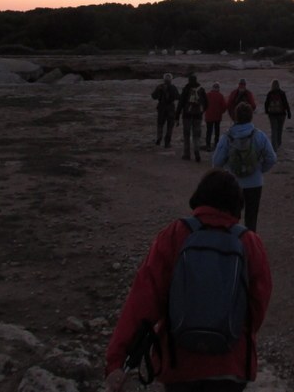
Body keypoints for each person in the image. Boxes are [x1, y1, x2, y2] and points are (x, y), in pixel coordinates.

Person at [104, 169, 272, 392]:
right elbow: (257, 306)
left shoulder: (175, 234)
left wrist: (117, 359)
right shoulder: (249, 242)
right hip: (231, 364)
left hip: (179, 363)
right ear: (237, 205)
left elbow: (143, 298)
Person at [212, 102, 277, 232]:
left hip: (232, 182)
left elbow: (217, 162)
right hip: (254, 182)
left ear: (235, 116)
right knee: (251, 217)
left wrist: (226, 171)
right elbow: (272, 158)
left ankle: (232, 245)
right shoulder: (259, 135)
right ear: (251, 116)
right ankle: (250, 245)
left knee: (231, 217)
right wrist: (259, 169)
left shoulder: (227, 136)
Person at [176, 74, 209, 162]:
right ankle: (196, 151)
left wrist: (177, 116)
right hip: (198, 116)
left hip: (186, 115)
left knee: (186, 135)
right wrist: (201, 111)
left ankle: (187, 154)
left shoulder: (186, 89)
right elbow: (206, 103)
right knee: (196, 135)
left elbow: (181, 103)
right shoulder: (201, 89)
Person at [152, 73, 179, 148]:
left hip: (161, 107)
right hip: (170, 108)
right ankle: (167, 143)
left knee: (160, 124)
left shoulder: (159, 86)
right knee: (170, 126)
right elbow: (177, 97)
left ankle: (159, 138)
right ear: (171, 79)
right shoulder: (173, 87)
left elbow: (153, 96)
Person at [263, 79, 292, 151]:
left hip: (272, 114)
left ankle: (274, 147)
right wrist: (289, 112)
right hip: (282, 114)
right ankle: (278, 143)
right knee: (280, 129)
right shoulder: (282, 93)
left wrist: (266, 111)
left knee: (274, 130)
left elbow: (266, 103)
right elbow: (286, 103)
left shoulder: (270, 93)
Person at [204, 82, 228, 151]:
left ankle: (208, 145)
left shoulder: (207, 95)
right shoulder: (220, 96)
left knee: (209, 131)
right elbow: (224, 106)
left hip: (209, 116)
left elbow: (203, 104)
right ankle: (216, 144)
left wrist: (206, 111)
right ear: (218, 89)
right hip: (217, 116)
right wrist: (221, 112)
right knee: (217, 131)